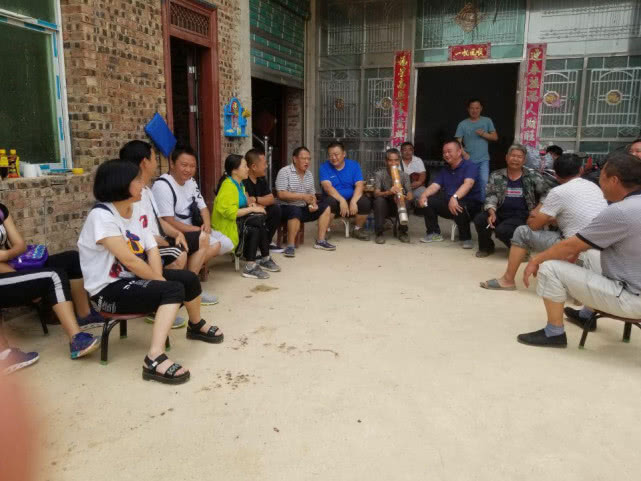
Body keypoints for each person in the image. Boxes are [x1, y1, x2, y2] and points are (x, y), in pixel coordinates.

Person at [78, 159, 223, 384]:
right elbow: (129, 260)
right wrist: (160, 283)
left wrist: (158, 279)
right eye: (137, 180)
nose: (142, 184)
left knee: (187, 278)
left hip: (132, 279)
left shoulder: (134, 208)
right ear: (120, 184)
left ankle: (195, 325)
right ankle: (154, 359)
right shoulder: (102, 216)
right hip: (107, 292)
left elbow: (151, 246)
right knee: (172, 290)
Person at [517, 151, 641, 348]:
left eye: (602, 177)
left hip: (631, 299)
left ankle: (553, 333)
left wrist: (536, 260)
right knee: (591, 254)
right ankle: (585, 315)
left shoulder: (620, 211)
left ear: (614, 180)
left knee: (550, 268)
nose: (599, 182)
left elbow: (571, 245)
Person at [480, 153, 607, 290]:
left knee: (522, 232)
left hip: (575, 249)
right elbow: (576, 216)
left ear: (555, 174)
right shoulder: (594, 187)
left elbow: (534, 226)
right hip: (601, 249)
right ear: (581, 170)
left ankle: (508, 280)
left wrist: (537, 216)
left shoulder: (557, 192)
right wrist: (551, 219)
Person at [0, 203, 101, 373]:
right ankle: (77, 340)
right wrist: (26, 283)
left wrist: (6, 254)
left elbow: (20, 245)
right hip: (5, 275)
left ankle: (84, 316)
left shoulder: (1, 210)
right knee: (53, 276)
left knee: (71, 258)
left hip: (14, 265)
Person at [151, 145, 231, 304]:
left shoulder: (191, 182)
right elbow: (168, 221)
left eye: (192, 166)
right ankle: (192, 288)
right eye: (184, 165)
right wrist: (197, 230)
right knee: (204, 239)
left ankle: (188, 283)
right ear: (172, 164)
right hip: (172, 233)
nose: (188, 170)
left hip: (192, 229)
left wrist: (206, 224)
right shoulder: (163, 186)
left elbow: (203, 207)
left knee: (224, 244)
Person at [473, 144, 548, 258]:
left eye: (519, 157)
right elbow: (490, 195)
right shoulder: (496, 175)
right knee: (480, 219)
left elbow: (547, 193)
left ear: (524, 160)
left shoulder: (533, 175)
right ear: (507, 157)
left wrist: (537, 210)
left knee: (502, 230)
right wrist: (492, 212)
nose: (515, 159)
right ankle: (486, 247)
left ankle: (521, 251)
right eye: (513, 156)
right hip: (499, 212)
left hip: (521, 215)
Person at [212, 154, 281, 279]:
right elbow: (231, 213)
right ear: (234, 170)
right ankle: (255, 263)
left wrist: (251, 205)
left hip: (236, 223)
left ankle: (260, 260)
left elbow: (242, 204)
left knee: (259, 220)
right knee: (256, 224)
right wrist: (252, 209)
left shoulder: (239, 185)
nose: (247, 169)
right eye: (244, 166)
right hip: (226, 227)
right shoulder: (227, 186)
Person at [418, 139, 483, 249]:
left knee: (459, 205)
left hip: (470, 206)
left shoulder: (470, 166)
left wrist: (455, 197)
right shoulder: (445, 169)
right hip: (450, 203)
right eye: (444, 152)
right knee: (428, 201)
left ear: (459, 152)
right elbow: (435, 185)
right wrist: (424, 195)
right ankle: (433, 233)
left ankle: (466, 238)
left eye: (449, 151)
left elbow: (468, 184)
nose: (446, 154)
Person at [275, 146, 335, 257]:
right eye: (304, 158)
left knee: (325, 206)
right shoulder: (284, 172)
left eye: (309, 159)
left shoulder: (309, 174)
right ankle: (290, 246)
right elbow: (281, 194)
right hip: (285, 208)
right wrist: (302, 197)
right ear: (295, 159)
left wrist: (313, 204)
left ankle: (320, 241)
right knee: (295, 210)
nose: (307, 161)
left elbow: (312, 195)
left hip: (303, 207)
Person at [319, 141, 371, 241]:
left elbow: (359, 185)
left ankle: (357, 229)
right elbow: (327, 187)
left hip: (351, 200)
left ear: (344, 154)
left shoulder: (354, 165)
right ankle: (326, 229)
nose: (333, 158)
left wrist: (353, 201)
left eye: (336, 154)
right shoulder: (324, 167)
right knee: (329, 202)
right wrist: (342, 200)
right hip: (334, 199)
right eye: (330, 155)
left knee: (365, 202)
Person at [455, 98, 498, 199]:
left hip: (483, 159)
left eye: (477, 108)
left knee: (484, 181)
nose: (474, 110)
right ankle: (465, 204)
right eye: (472, 108)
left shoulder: (487, 121)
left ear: (481, 108)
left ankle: (483, 205)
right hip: (468, 159)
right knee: (467, 183)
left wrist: (483, 134)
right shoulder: (462, 124)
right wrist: (464, 154)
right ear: (468, 109)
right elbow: (458, 142)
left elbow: (495, 137)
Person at [243, 148, 282, 252]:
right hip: (247, 213)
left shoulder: (261, 179)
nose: (266, 166)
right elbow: (247, 202)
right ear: (254, 167)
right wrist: (259, 204)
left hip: (260, 209)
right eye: (264, 164)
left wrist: (256, 199)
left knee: (276, 209)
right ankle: (253, 244)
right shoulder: (243, 180)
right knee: (258, 214)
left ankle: (266, 242)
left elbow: (271, 199)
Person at [373, 148, 413, 244]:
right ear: (386, 161)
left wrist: (404, 197)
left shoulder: (404, 175)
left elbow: (410, 194)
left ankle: (402, 232)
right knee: (379, 201)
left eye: (396, 160)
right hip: (385, 205)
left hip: (398, 204)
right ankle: (379, 233)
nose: (393, 163)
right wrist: (389, 192)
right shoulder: (379, 174)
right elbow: (376, 193)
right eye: (390, 160)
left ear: (399, 161)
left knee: (407, 202)